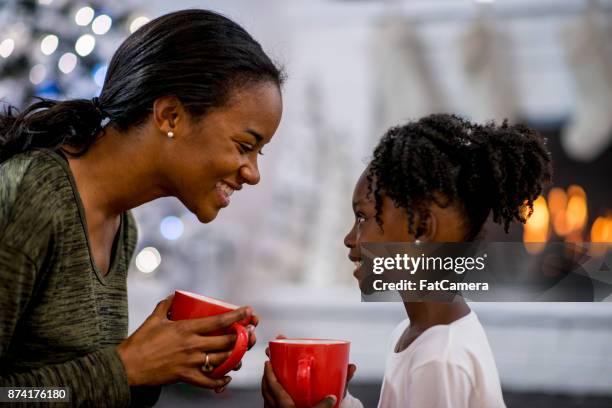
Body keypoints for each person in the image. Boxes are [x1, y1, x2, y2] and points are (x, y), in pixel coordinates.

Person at [0, 9, 283, 407]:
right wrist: (126, 367)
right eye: (244, 146)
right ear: (170, 115)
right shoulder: (33, 195)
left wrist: (159, 365)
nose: (253, 174)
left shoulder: (121, 224)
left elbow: (75, 390)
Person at [262, 114, 552, 407]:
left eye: (363, 218)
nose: (349, 238)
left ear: (422, 229)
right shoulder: (411, 335)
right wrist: (337, 400)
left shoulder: (438, 360)